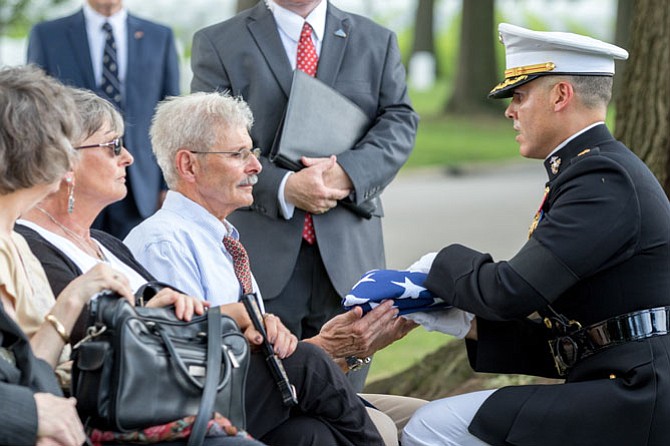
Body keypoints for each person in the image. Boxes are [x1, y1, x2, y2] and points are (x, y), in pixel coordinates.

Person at [18, 88, 385, 446]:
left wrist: (256, 326)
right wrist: (241, 319)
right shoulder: (36, 246)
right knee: (307, 363)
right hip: (149, 405)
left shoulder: (107, 244)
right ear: (65, 161)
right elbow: (126, 336)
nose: (129, 157)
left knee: (309, 434)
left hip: (197, 389)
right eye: (113, 145)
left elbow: (180, 319)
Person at [401, 23, 670, 446]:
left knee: (430, 427)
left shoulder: (603, 178)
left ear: (561, 95)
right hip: (628, 387)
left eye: (520, 96)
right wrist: (461, 321)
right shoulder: (593, 170)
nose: (510, 110)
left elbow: (512, 291)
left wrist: (437, 264)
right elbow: (581, 337)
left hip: (638, 399)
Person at [124, 91, 424, 445]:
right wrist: (319, 351)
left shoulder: (222, 238)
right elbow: (193, 365)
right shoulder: (164, 244)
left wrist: (342, 349)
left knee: (414, 416)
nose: (256, 166)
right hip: (211, 412)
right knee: (366, 426)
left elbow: (264, 356)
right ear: (188, 165)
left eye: (252, 152)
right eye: (238, 155)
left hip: (259, 398)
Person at [189, 2, 418, 393]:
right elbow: (209, 143)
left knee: (346, 402)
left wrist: (346, 174)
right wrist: (283, 187)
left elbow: (399, 120)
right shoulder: (218, 42)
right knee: (269, 396)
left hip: (349, 262)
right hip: (261, 260)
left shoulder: (376, 40)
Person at [0, 64, 137, 446]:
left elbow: (29, 369)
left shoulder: (14, 243)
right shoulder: (23, 241)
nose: (127, 157)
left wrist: (74, 298)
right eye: (60, 140)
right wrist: (34, 416)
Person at [27, 0, 180, 239]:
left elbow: (171, 116)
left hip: (141, 186)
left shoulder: (159, 36)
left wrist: (166, 185)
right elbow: (37, 115)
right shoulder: (48, 35)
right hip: (73, 182)